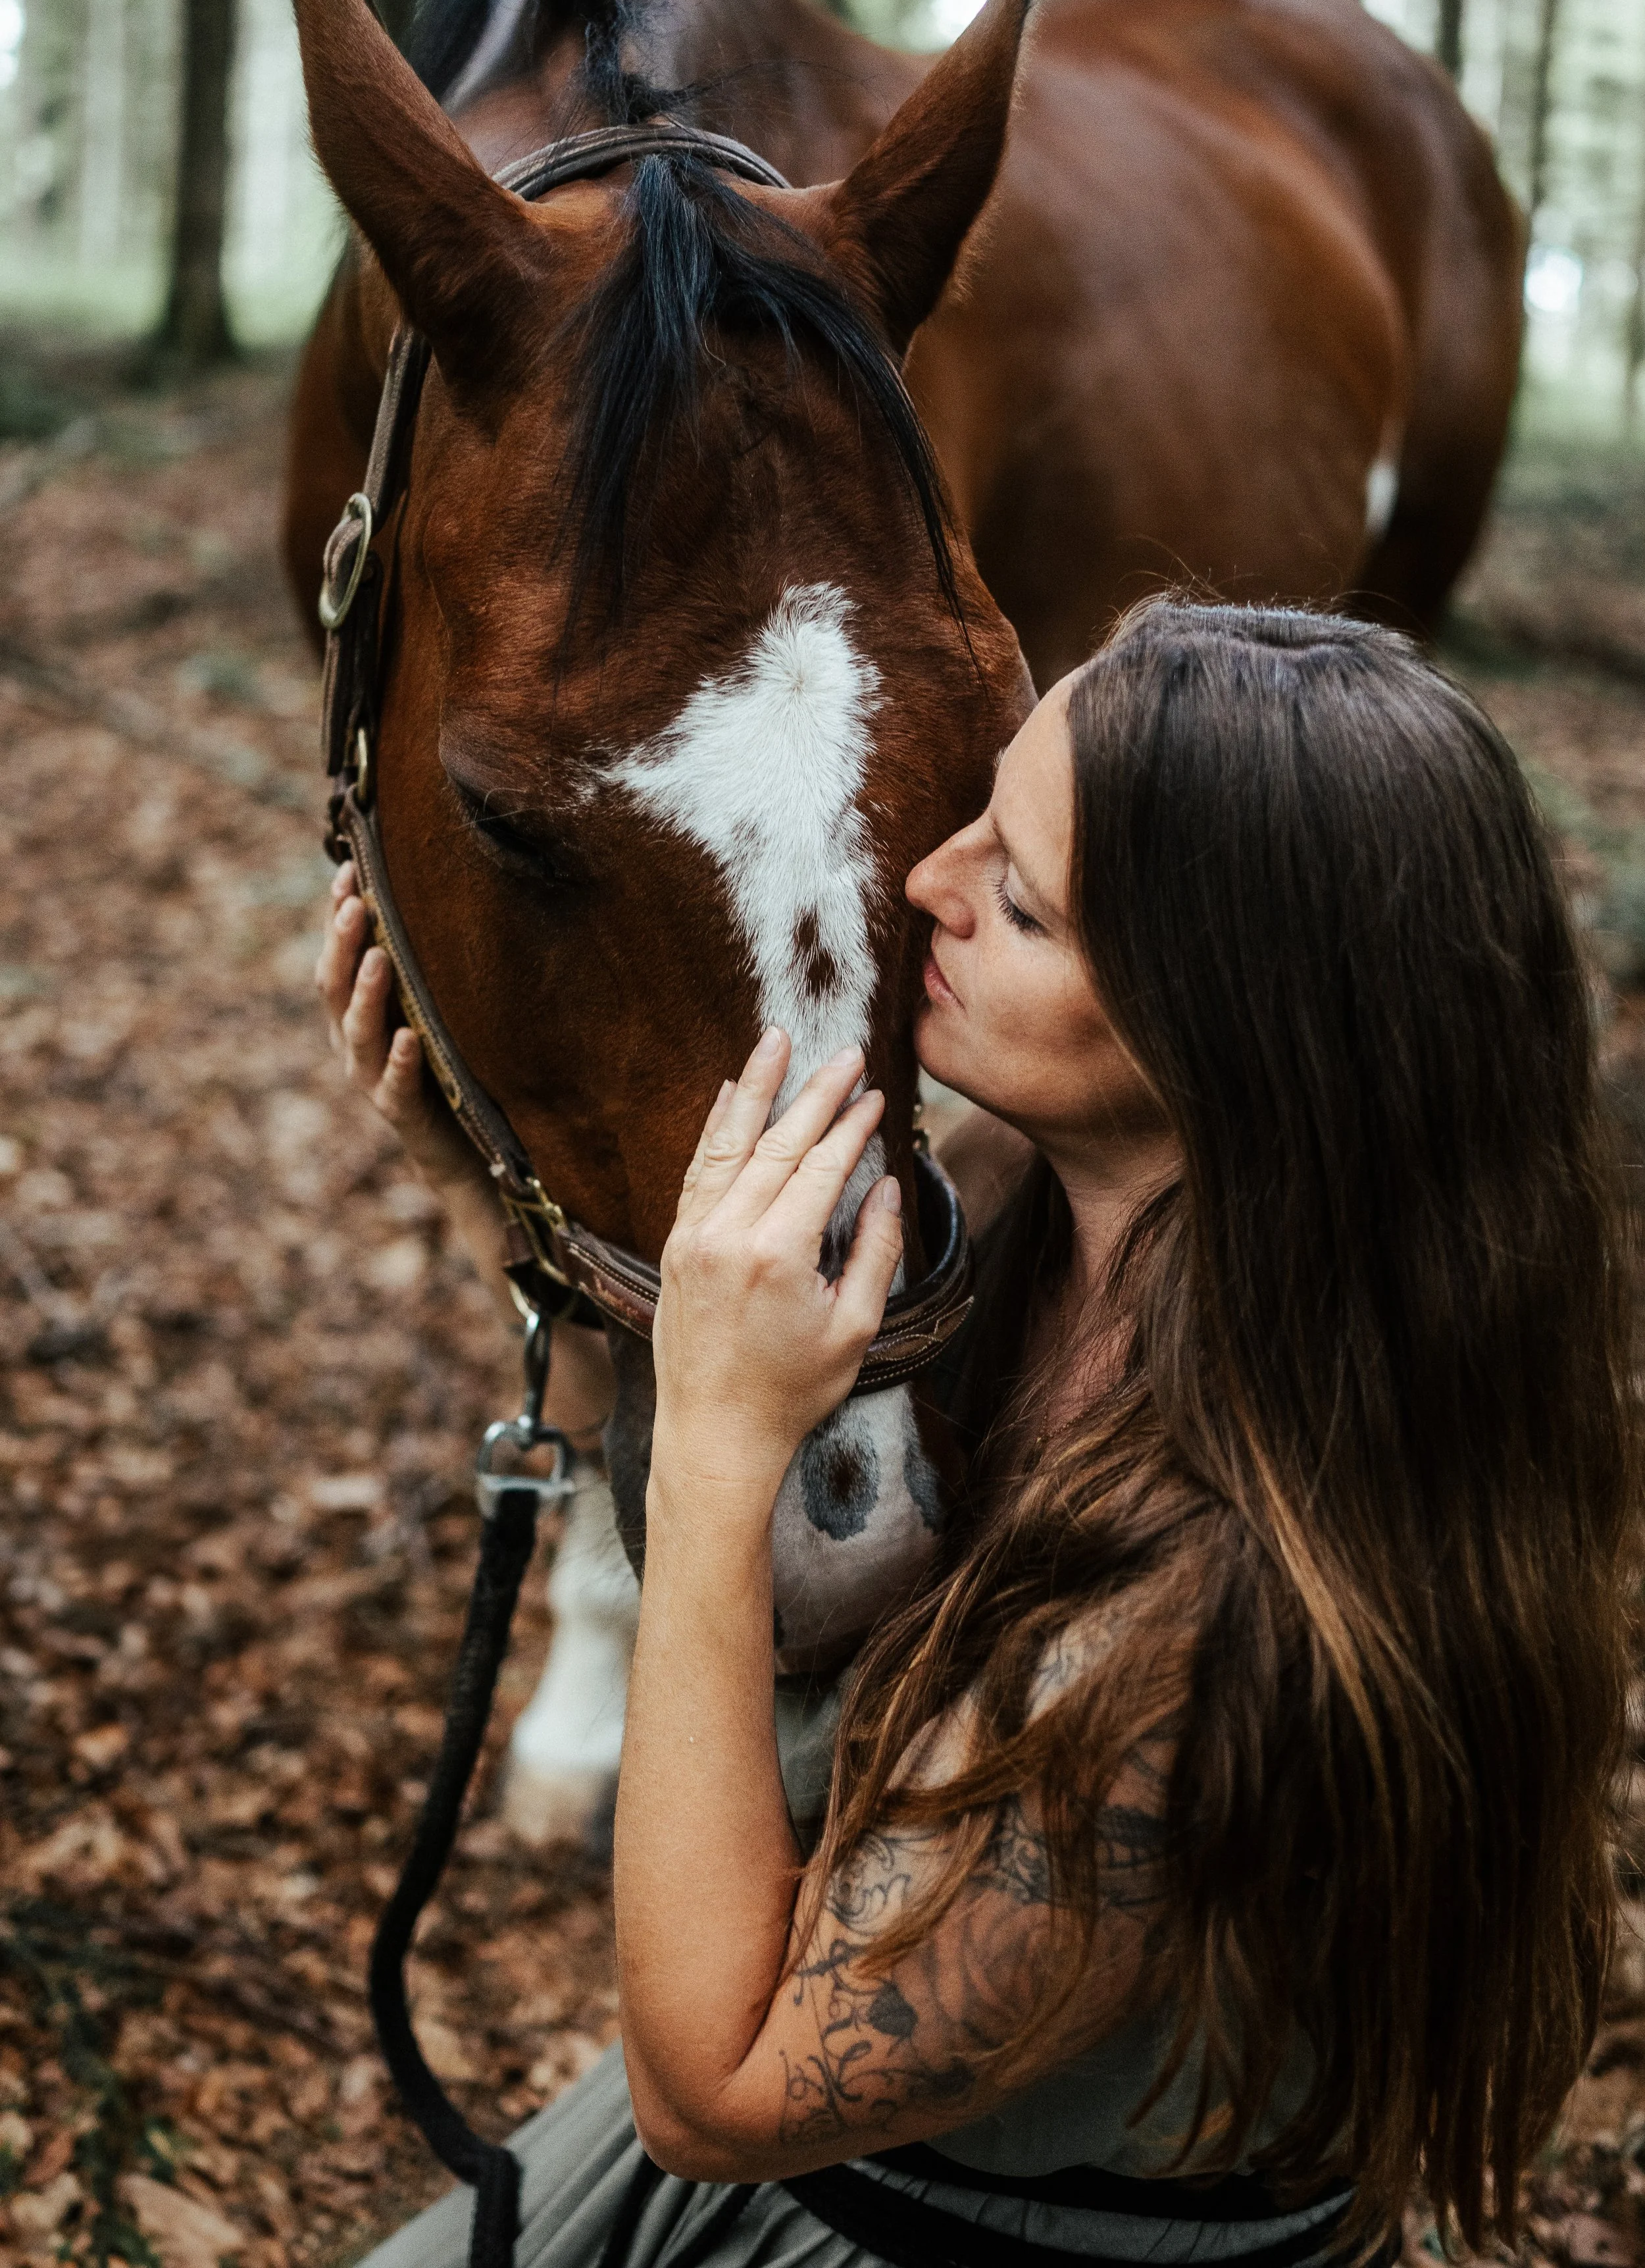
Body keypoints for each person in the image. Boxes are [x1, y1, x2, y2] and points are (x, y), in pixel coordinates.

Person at [316, 600, 1638, 2268]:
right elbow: (791, 1609)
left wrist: (725, 1440)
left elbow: (714, 2092)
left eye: (1015, 899)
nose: (923, 886)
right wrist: (490, 1213)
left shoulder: (1213, 1631)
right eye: (974, 809)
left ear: (1225, 1031)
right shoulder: (1006, 1210)